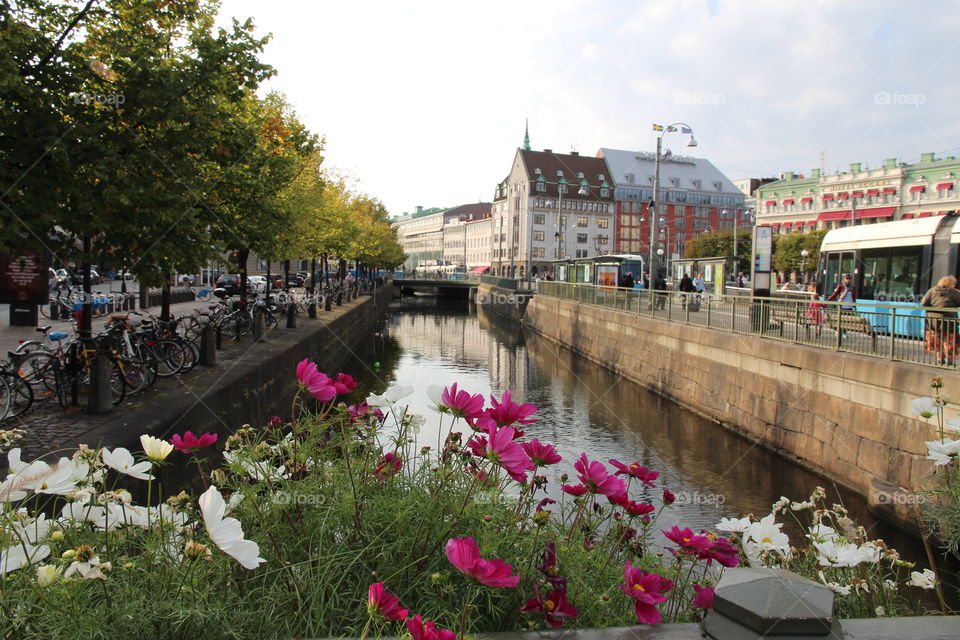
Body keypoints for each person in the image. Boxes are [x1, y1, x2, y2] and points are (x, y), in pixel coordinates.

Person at [920, 275, 960, 365]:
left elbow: (923, 303)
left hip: (933, 321)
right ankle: (949, 361)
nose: (955, 285)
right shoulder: (953, 291)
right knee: (949, 341)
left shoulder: (932, 290)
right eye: (954, 284)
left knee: (937, 340)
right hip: (949, 320)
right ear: (950, 284)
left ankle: (940, 359)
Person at [826, 273, 857, 338]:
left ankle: (844, 332)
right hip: (842, 306)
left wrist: (854, 304)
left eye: (849, 279)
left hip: (849, 306)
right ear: (844, 279)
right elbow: (835, 294)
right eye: (847, 278)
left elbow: (854, 296)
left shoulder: (853, 287)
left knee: (847, 320)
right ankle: (838, 331)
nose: (848, 280)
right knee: (840, 319)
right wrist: (828, 299)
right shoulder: (841, 286)